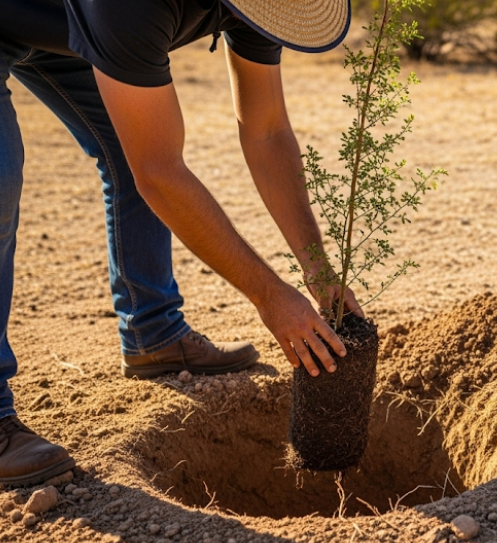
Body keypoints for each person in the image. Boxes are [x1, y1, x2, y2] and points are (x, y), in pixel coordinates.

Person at [0, 0, 363, 486]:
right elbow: (160, 173)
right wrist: (269, 294)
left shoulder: (268, 5)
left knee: (132, 142)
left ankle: (155, 335)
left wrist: (317, 267)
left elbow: (267, 130)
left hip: (68, 24)